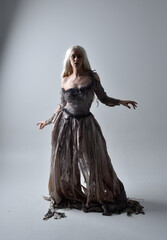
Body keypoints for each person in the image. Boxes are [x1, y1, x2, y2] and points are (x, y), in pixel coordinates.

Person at [36, 45, 144, 220]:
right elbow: (62, 104)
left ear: (83, 58)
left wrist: (121, 102)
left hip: (86, 125)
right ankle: (66, 193)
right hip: (65, 125)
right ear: (69, 59)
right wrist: (48, 120)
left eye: (79, 56)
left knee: (93, 159)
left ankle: (103, 192)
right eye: (73, 56)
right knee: (65, 161)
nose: (76, 59)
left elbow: (103, 98)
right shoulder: (64, 79)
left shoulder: (92, 77)